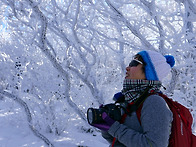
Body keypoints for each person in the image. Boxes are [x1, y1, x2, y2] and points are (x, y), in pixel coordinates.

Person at [91, 50, 175, 147]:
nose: (127, 68)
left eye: (133, 63)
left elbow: (155, 145)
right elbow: (121, 143)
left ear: (149, 71)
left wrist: (115, 128)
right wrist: (107, 128)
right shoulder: (129, 99)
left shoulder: (154, 102)